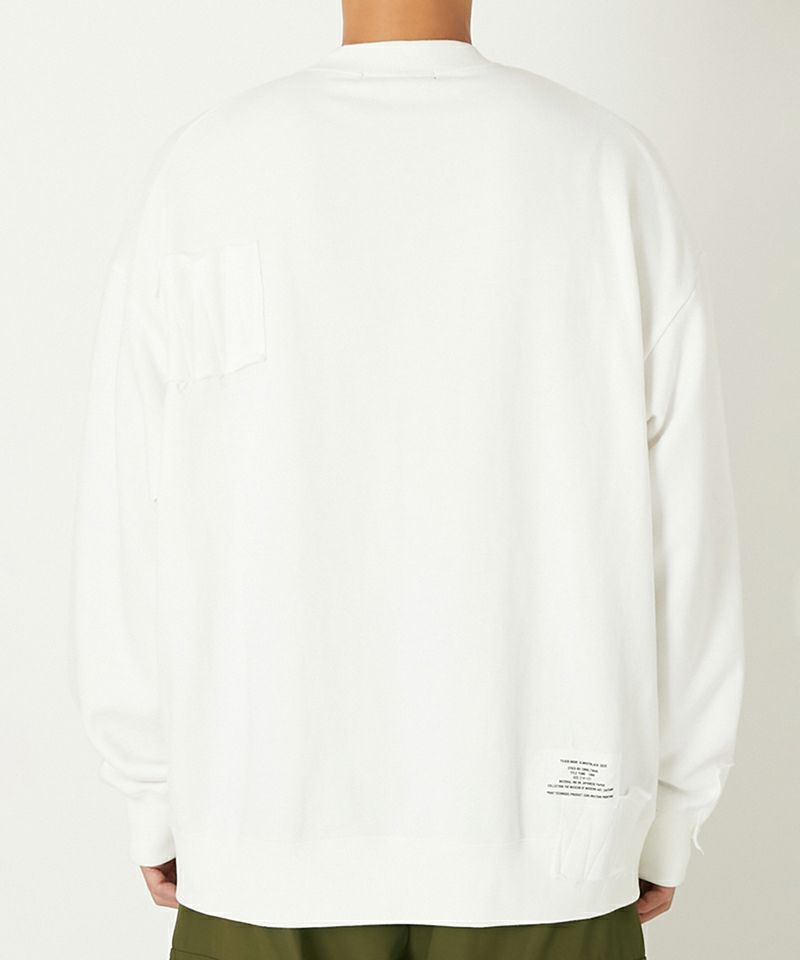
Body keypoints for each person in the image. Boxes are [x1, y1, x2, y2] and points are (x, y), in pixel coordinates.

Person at [69, 0, 745, 957]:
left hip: (261, 829)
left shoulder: (207, 168)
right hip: (541, 845)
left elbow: (127, 519)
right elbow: (690, 530)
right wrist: (670, 806)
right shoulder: (602, 164)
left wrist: (153, 791)